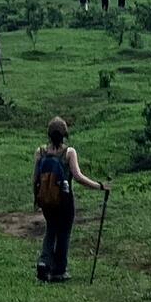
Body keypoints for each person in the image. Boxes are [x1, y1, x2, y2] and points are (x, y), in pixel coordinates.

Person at [33, 116, 107, 283]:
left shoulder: (41, 151)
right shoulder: (69, 153)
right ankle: (59, 270)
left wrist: (36, 197)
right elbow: (78, 176)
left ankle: (44, 262)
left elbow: (35, 177)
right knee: (64, 233)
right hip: (64, 200)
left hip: (47, 200)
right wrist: (99, 186)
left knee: (51, 230)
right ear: (65, 134)